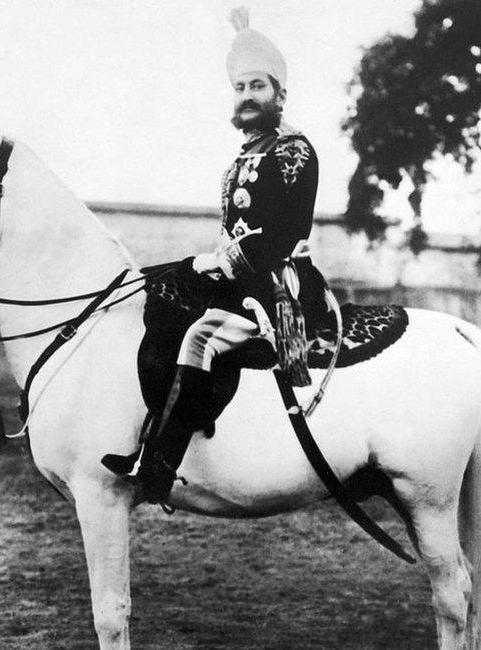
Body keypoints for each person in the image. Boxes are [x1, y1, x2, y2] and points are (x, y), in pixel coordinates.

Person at [102, 7, 324, 504]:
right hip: (238, 283)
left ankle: (158, 466)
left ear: (280, 95)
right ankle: (150, 437)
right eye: (240, 87)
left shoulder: (293, 152)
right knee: (160, 296)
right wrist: (202, 262)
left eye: (257, 87)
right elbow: (233, 228)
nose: (246, 96)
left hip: (277, 291)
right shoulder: (248, 150)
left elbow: (280, 234)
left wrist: (222, 263)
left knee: (198, 339)